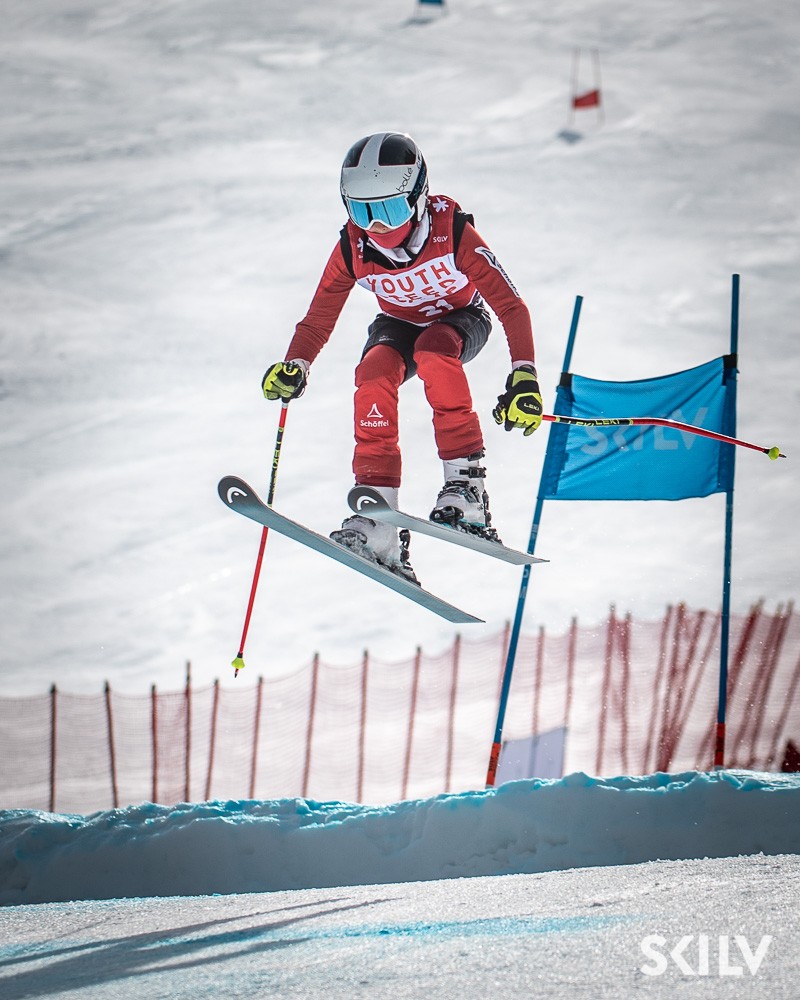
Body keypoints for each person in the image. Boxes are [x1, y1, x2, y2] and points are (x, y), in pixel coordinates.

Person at [262, 132, 542, 585]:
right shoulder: (353, 247)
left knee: (434, 352)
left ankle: (467, 487)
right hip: (399, 323)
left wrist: (524, 375)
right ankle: (379, 515)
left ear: (418, 197)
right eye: (362, 211)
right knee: (372, 373)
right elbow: (318, 319)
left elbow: (511, 306)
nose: (376, 226)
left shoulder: (452, 232)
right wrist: (297, 363)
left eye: (390, 210)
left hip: (461, 319)